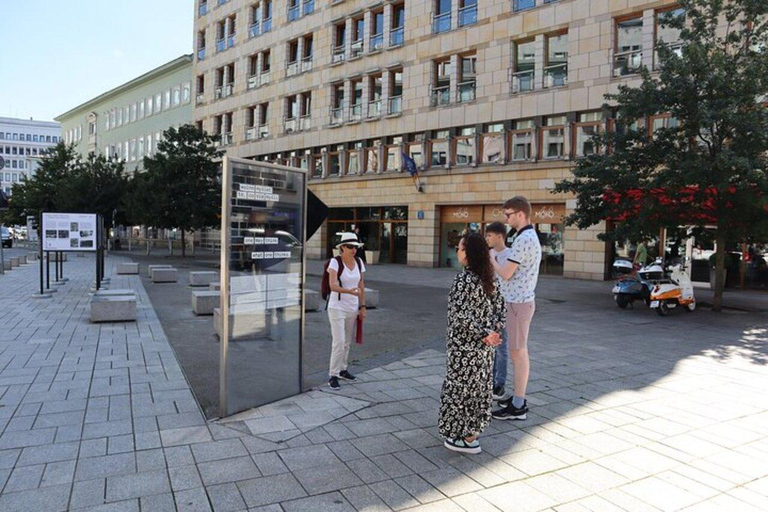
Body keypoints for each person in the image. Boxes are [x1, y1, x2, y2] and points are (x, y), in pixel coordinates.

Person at [439, 232, 505, 454]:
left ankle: (462, 436)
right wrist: (493, 333)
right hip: (484, 350)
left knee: (459, 390)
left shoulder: (464, 279)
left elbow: (459, 316)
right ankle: (472, 435)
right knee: (479, 389)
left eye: (459, 248)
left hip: (463, 348)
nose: (457, 251)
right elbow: (501, 310)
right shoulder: (489, 278)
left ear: (468, 253)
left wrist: (485, 333)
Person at [491, 196, 541, 421]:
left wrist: (490, 256)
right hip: (517, 302)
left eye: (509, 215)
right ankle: (517, 399)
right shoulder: (526, 236)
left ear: (521, 214)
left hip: (519, 303)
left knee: (518, 353)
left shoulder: (524, 239)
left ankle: (519, 405)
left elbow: (506, 273)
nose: (506, 219)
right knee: (517, 352)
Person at [326, 232, 367, 390]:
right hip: (337, 307)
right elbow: (332, 286)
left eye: (355, 247)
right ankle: (332, 374)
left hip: (352, 307)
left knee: (347, 342)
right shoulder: (335, 262)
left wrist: (362, 306)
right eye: (350, 247)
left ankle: (343, 369)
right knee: (339, 342)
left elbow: (361, 284)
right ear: (342, 247)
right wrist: (350, 292)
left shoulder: (358, 262)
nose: (353, 250)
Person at [484, 222, 512, 401]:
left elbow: (507, 278)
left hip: (504, 306)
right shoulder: (489, 254)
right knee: (491, 345)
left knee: (501, 347)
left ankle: (499, 383)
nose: (487, 239)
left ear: (500, 236)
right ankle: (490, 380)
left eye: (490, 236)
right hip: (489, 305)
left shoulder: (510, 255)